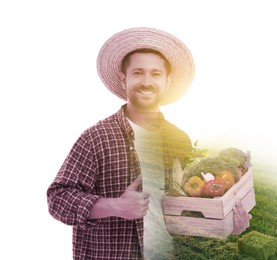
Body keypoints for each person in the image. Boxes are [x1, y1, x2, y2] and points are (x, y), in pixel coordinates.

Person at [47, 27, 251, 260]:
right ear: (124, 79)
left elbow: (191, 210)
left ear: (167, 80)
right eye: (137, 73)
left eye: (155, 74)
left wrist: (227, 224)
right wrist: (114, 206)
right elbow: (58, 199)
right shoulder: (97, 138)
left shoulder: (179, 140)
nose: (146, 82)